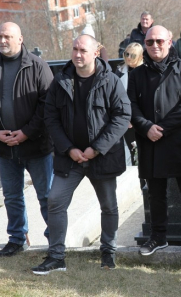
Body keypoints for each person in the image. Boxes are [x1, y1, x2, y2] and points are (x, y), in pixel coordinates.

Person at [31, 35, 131, 275]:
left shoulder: (111, 81)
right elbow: (51, 118)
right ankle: (56, 256)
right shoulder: (61, 80)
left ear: (96, 52)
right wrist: (69, 149)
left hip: (102, 156)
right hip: (70, 157)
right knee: (55, 201)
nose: (77, 54)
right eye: (74, 49)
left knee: (108, 205)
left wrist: (96, 148)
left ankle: (108, 250)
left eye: (83, 50)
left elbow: (122, 117)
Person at [0, 22, 54, 257]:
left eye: (8, 36)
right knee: (12, 196)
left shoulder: (38, 66)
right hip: (4, 146)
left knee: (46, 195)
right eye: (0, 36)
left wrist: (27, 132)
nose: (3, 40)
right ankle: (17, 238)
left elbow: (47, 104)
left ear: (20, 39)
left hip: (36, 145)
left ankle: (55, 240)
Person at [127, 25, 181, 256]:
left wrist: (163, 128)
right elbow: (131, 106)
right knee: (155, 193)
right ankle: (158, 237)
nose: (155, 45)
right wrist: (147, 127)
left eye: (159, 41)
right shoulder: (136, 74)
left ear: (170, 41)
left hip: (178, 140)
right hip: (150, 141)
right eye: (149, 42)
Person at [115, 42, 144, 165]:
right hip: (124, 119)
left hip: (141, 118)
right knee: (134, 153)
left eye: (132, 55)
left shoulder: (145, 71)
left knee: (143, 153)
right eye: (126, 54)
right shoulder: (120, 71)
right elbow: (116, 96)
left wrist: (134, 118)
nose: (128, 57)